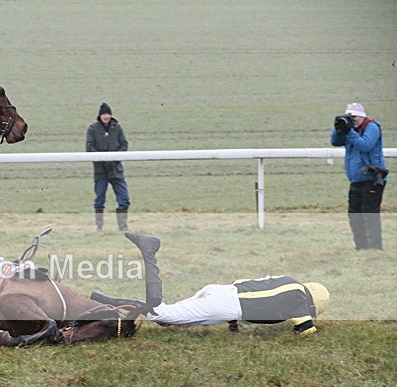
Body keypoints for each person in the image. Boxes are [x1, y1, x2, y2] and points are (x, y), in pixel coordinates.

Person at [91, 233, 330, 336]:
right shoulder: (299, 300)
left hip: (220, 291)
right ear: (313, 305)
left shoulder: (289, 281)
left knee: (165, 319)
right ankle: (149, 251)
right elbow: (306, 330)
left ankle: (105, 300)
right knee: (158, 312)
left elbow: (246, 287)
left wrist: (233, 324)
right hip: (224, 305)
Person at [330, 102, 388, 250]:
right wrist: (338, 128)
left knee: (369, 214)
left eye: (355, 116)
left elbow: (365, 145)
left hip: (373, 178)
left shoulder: (372, 127)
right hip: (356, 179)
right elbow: (335, 142)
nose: (353, 120)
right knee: (355, 214)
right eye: (350, 117)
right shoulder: (351, 130)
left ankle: (374, 248)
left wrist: (349, 131)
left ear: (362, 116)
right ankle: (361, 247)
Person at [86, 103, 130, 232]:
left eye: (108, 114)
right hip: (100, 171)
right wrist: (102, 158)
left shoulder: (117, 128)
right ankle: (99, 227)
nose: (106, 116)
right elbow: (89, 147)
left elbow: (124, 144)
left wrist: (114, 158)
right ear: (100, 116)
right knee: (99, 200)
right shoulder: (92, 129)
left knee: (124, 199)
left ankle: (123, 226)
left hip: (116, 170)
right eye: (104, 114)